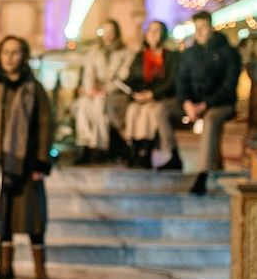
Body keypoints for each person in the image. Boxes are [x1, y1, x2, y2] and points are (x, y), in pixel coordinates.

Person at [0, 36, 54, 279]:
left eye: (16, 52)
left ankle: (40, 268)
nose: (10, 57)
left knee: (33, 216)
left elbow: (45, 125)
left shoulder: (34, 87)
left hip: (26, 162)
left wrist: (41, 162)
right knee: (3, 215)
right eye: (6, 52)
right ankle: (5, 267)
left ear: (24, 56)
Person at [176, 11, 242, 195]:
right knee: (161, 111)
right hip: (194, 104)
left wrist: (205, 104)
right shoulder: (190, 54)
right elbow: (181, 82)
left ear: (212, 28)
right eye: (196, 28)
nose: (199, 32)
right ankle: (166, 157)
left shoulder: (229, 53)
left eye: (203, 27)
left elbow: (229, 86)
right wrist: (186, 103)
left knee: (211, 121)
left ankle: (202, 174)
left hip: (221, 104)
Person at [123, 20, 182, 170]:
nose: (154, 34)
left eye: (157, 31)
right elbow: (132, 78)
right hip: (141, 96)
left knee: (148, 112)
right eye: (151, 31)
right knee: (133, 111)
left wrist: (152, 94)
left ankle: (146, 150)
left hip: (161, 96)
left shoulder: (172, 56)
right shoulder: (140, 56)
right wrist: (136, 93)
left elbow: (171, 80)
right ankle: (135, 149)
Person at [73, 19, 132, 164]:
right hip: (96, 92)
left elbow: (123, 76)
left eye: (111, 32)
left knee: (99, 104)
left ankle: (98, 146)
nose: (108, 35)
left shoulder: (125, 52)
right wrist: (90, 90)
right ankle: (84, 143)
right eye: (105, 31)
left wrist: (105, 90)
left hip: (115, 93)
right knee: (83, 104)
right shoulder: (94, 52)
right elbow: (88, 74)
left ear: (116, 33)